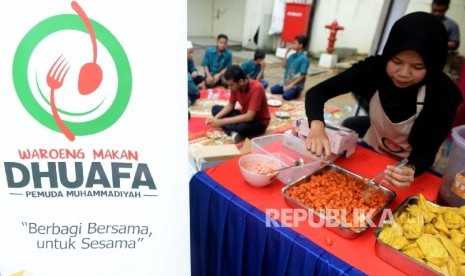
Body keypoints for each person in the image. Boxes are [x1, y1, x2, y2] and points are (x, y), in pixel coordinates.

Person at [304, 12, 462, 189]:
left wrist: (410, 168)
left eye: (417, 67)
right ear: (389, 54)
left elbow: (426, 152)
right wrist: (317, 127)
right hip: (373, 148)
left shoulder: (444, 94)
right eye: (396, 61)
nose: (403, 73)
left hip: (412, 166)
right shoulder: (373, 69)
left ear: (433, 65)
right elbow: (317, 92)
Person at [206, 65, 270, 143]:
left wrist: (222, 122)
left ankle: (232, 131)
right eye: (228, 85)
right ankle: (233, 132)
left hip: (258, 122)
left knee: (242, 127)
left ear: (241, 81)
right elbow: (230, 106)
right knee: (215, 109)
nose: (229, 88)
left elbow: (250, 117)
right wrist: (215, 118)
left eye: (231, 85)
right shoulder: (236, 87)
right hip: (243, 115)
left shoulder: (257, 88)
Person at [270, 35, 309, 100]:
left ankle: (297, 91)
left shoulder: (304, 58)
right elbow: (283, 66)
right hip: (286, 82)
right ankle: (288, 91)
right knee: (273, 90)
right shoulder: (292, 55)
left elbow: (303, 76)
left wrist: (291, 85)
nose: (292, 45)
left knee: (286, 96)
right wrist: (286, 53)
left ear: (301, 45)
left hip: (296, 85)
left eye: (295, 43)